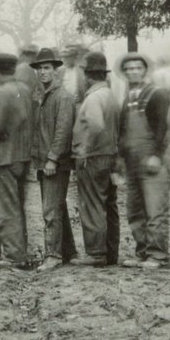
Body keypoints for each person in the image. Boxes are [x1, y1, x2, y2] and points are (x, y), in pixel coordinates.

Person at [118, 52, 170, 269]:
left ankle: (157, 255)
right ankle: (141, 252)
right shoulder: (128, 97)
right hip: (132, 161)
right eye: (128, 69)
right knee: (135, 210)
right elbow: (122, 130)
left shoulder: (157, 94)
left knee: (155, 209)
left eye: (137, 68)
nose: (133, 72)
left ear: (145, 70)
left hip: (151, 160)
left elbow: (163, 127)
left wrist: (156, 155)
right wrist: (120, 159)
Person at [0, 51, 34, 268]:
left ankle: (13, 256)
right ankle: (20, 251)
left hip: (2, 157)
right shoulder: (24, 90)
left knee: (4, 209)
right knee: (17, 206)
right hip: (22, 156)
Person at [69, 50, 121, 264]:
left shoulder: (93, 98)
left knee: (92, 204)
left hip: (94, 157)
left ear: (88, 75)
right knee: (109, 204)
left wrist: (84, 149)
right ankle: (110, 252)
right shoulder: (109, 95)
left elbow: (97, 125)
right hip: (109, 155)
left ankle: (96, 253)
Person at [31, 47, 76, 269]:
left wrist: (52, 159)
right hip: (45, 162)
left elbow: (63, 132)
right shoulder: (45, 96)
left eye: (47, 68)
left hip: (55, 164)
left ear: (55, 70)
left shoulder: (63, 97)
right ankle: (68, 252)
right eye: (39, 69)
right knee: (57, 207)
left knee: (50, 210)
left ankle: (53, 255)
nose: (42, 72)